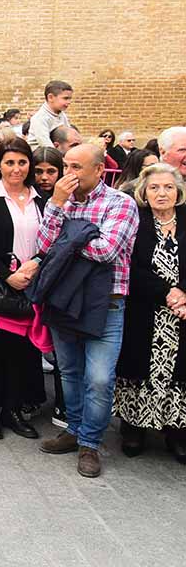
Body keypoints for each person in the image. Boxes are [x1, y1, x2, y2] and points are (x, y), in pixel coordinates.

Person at [35, 144, 139, 478]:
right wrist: (56, 207)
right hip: (64, 298)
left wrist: (67, 240)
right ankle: (75, 430)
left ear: (98, 170)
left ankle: (90, 443)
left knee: (99, 377)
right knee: (69, 371)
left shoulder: (120, 203)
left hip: (106, 302)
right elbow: (44, 246)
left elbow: (106, 250)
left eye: (76, 167)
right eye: (66, 166)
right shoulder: (60, 202)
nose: (69, 174)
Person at [0, 139, 48, 440]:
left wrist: (34, 266)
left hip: (32, 286)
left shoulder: (42, 199)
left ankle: (12, 410)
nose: (16, 169)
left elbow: (51, 239)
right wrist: (7, 276)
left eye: (22, 162)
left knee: (22, 352)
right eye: (10, 162)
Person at [114, 164, 186, 462]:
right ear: (143, 192)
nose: (162, 193)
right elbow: (129, 266)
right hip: (145, 309)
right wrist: (167, 292)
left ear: (178, 191)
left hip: (182, 313)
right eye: (154, 187)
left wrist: (183, 292)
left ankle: (177, 432)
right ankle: (134, 428)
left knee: (179, 373)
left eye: (168, 187)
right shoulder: (137, 221)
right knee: (139, 368)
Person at [26, 80, 73, 149]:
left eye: (70, 99)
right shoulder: (40, 118)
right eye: (65, 98)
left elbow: (69, 135)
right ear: (50, 97)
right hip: (42, 152)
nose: (69, 102)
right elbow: (45, 144)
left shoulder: (61, 114)